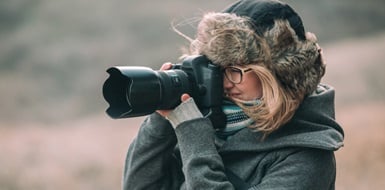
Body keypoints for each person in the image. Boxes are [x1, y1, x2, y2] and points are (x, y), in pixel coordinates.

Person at [122, 0, 344, 189]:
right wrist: (160, 122)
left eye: (234, 70)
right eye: (216, 68)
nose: (224, 83)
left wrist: (194, 136)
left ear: (278, 75)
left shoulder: (307, 158)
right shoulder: (212, 127)